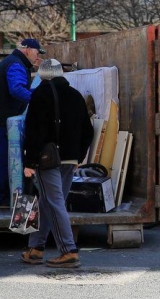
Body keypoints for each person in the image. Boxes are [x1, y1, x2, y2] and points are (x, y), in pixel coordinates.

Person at [21, 59, 93, 268]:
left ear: (41, 75)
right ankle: (36, 248)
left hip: (47, 160)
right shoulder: (76, 95)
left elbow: (34, 132)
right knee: (47, 201)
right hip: (70, 160)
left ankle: (69, 251)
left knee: (54, 203)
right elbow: (87, 131)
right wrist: (78, 156)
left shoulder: (40, 95)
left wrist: (30, 161)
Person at [0, 38, 44, 206]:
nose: (37, 57)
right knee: (5, 160)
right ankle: (3, 197)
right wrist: (38, 99)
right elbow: (17, 89)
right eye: (37, 52)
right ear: (28, 50)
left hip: (4, 119)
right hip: (4, 121)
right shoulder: (17, 65)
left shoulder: (14, 62)